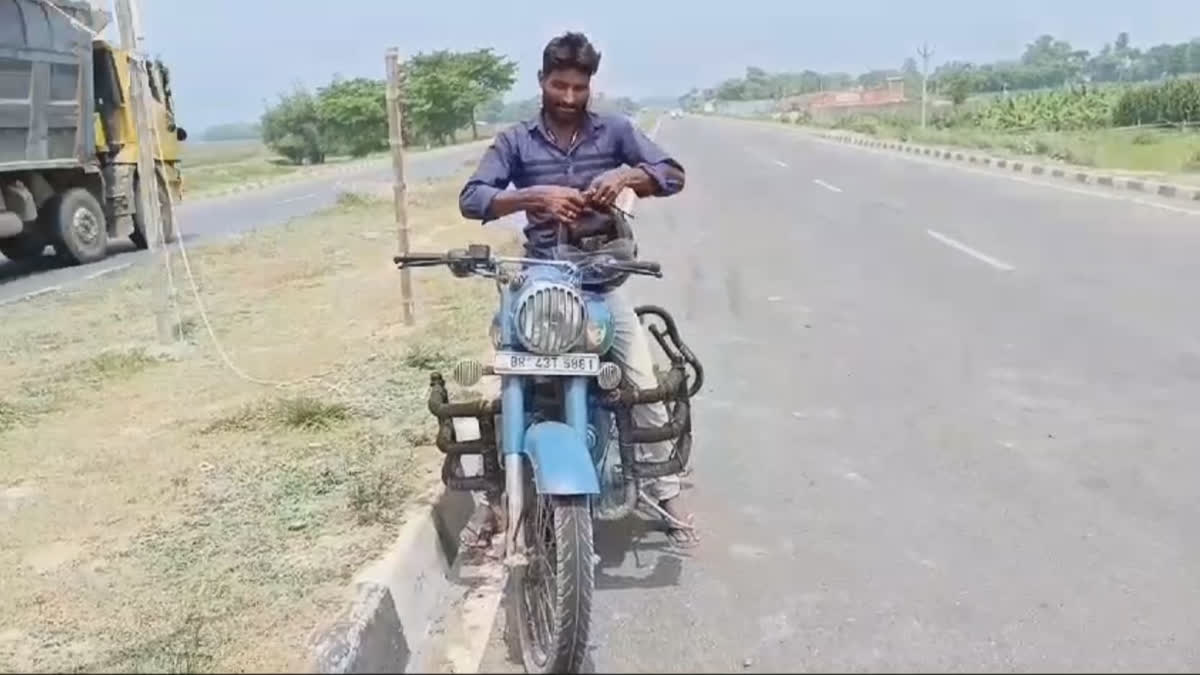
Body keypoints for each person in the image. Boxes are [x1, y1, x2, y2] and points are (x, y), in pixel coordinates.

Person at [457, 31, 697, 547]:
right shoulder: (514, 141)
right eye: (559, 85)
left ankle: (664, 488)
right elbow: (472, 198)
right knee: (505, 381)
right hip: (540, 281)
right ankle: (494, 500)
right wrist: (531, 197)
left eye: (578, 87)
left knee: (640, 383)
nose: (568, 97)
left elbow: (672, 175)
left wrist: (628, 176)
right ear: (542, 80)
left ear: (590, 85)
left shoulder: (615, 131)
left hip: (600, 281)